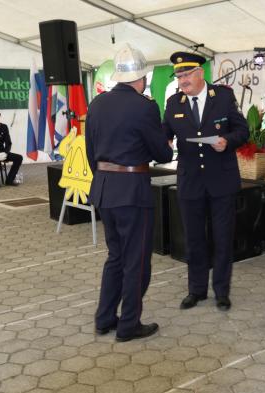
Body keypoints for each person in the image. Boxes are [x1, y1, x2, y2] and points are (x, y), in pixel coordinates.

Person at [86, 44, 173, 342]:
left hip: (104, 189)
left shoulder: (97, 104)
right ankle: (129, 325)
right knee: (136, 261)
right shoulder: (145, 106)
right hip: (132, 192)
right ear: (142, 78)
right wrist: (164, 144)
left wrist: (105, 177)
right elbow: (162, 154)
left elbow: (90, 151)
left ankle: (104, 318)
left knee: (115, 257)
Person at [163, 52, 249, 312]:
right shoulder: (173, 103)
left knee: (222, 239)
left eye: (186, 75)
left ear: (200, 73)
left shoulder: (222, 97)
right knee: (194, 239)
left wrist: (227, 141)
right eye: (178, 76)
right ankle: (196, 290)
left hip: (221, 180)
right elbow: (165, 133)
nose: (182, 81)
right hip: (190, 182)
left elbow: (242, 130)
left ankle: (221, 292)